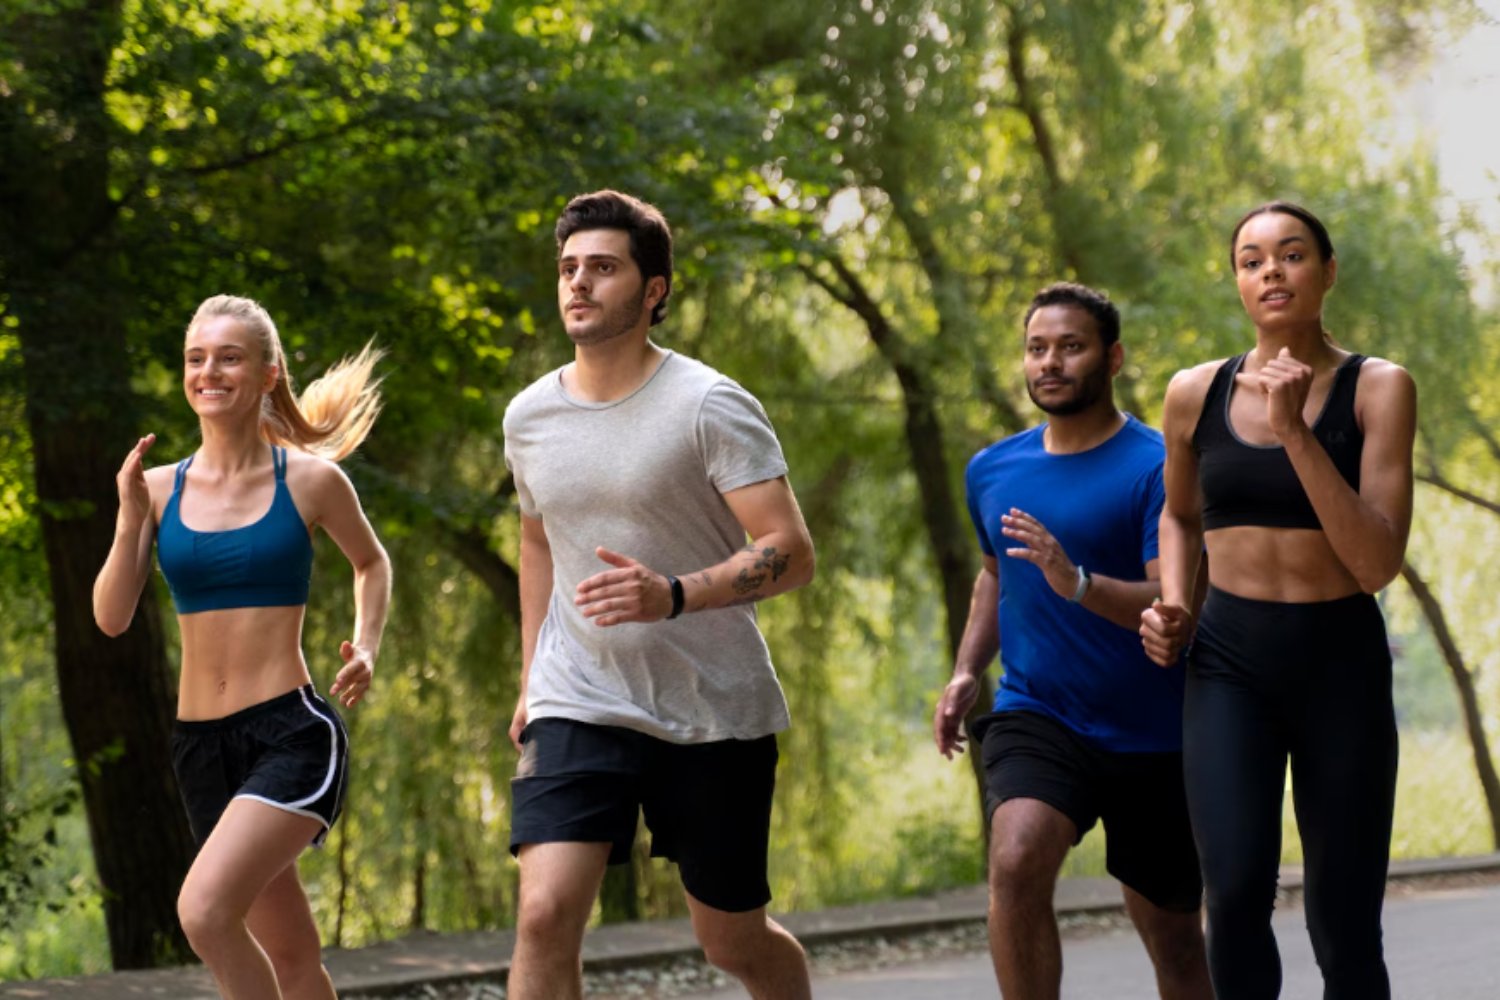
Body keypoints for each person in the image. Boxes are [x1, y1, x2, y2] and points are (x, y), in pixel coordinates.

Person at [501, 190, 815, 1000]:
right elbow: (537, 539)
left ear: (653, 291)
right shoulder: (529, 416)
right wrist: (533, 673)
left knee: (733, 941)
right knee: (543, 915)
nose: (578, 283)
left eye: (602, 268)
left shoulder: (709, 404)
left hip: (711, 706)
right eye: (568, 268)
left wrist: (672, 594)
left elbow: (789, 551)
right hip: (580, 694)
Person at [1141, 201, 1416, 999]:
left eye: (1292, 256)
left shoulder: (1378, 389)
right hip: (1229, 665)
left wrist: (1296, 432)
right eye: (1252, 260)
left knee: (1343, 920)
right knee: (1230, 895)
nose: (1271, 272)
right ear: (1237, 282)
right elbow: (1179, 514)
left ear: (1327, 273)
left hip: (1341, 665)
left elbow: (1375, 562)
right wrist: (1172, 603)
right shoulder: (1194, 392)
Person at [93, 294, 390, 999]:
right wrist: (130, 517)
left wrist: (368, 647)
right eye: (197, 359)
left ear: (267, 373)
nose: (209, 371)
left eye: (229, 357)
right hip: (200, 747)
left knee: (203, 913)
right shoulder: (158, 490)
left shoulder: (311, 480)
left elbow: (372, 562)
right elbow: (109, 618)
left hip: (291, 734)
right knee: (289, 952)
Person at [934, 282, 1212, 1000]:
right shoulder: (991, 469)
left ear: (1112, 357)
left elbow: (1172, 599)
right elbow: (995, 578)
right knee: (1017, 857)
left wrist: (1079, 583)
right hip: (1040, 712)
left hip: (1155, 731)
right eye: (1036, 348)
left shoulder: (1157, 466)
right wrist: (968, 670)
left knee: (1177, 942)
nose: (1049, 362)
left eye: (1070, 346)